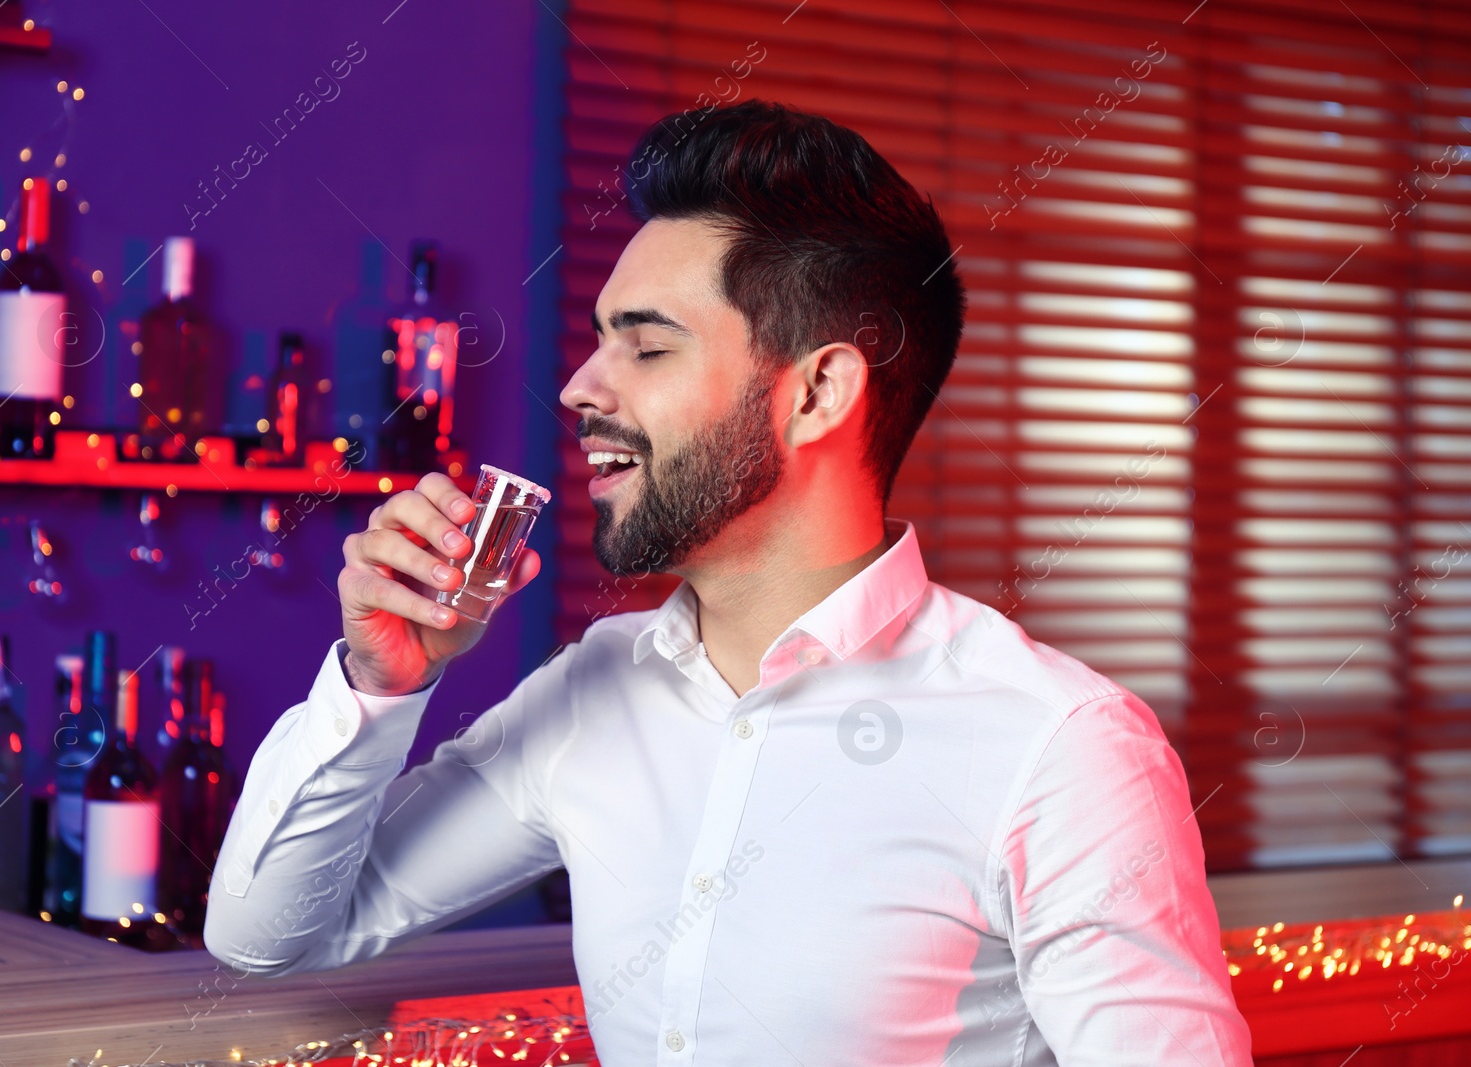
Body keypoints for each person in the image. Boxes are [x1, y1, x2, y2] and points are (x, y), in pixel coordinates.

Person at [203, 99, 1252, 1065]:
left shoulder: (1059, 746)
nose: (578, 386)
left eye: (645, 346)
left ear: (818, 392)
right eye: (598, 339)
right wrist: (376, 682)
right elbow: (267, 935)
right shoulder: (593, 691)